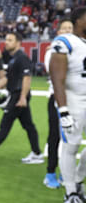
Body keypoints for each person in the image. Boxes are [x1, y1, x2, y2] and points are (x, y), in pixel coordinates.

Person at [0, 32, 42, 164]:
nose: (6, 42)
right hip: (18, 95)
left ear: (18, 43)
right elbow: (7, 79)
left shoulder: (21, 58)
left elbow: (27, 78)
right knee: (28, 125)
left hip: (18, 96)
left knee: (5, 124)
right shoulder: (14, 58)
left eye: (10, 40)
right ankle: (37, 153)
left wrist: (22, 98)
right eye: (6, 40)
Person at [49, 7, 86, 203]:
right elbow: (57, 78)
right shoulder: (65, 42)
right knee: (71, 146)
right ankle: (70, 192)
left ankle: (78, 180)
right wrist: (63, 109)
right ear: (79, 21)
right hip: (73, 100)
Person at [42, 19, 73, 189]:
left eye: (71, 28)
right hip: (57, 99)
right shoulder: (52, 51)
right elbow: (56, 73)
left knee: (70, 139)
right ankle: (50, 173)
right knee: (55, 136)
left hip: (74, 99)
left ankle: (65, 172)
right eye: (65, 28)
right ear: (58, 32)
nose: (68, 30)